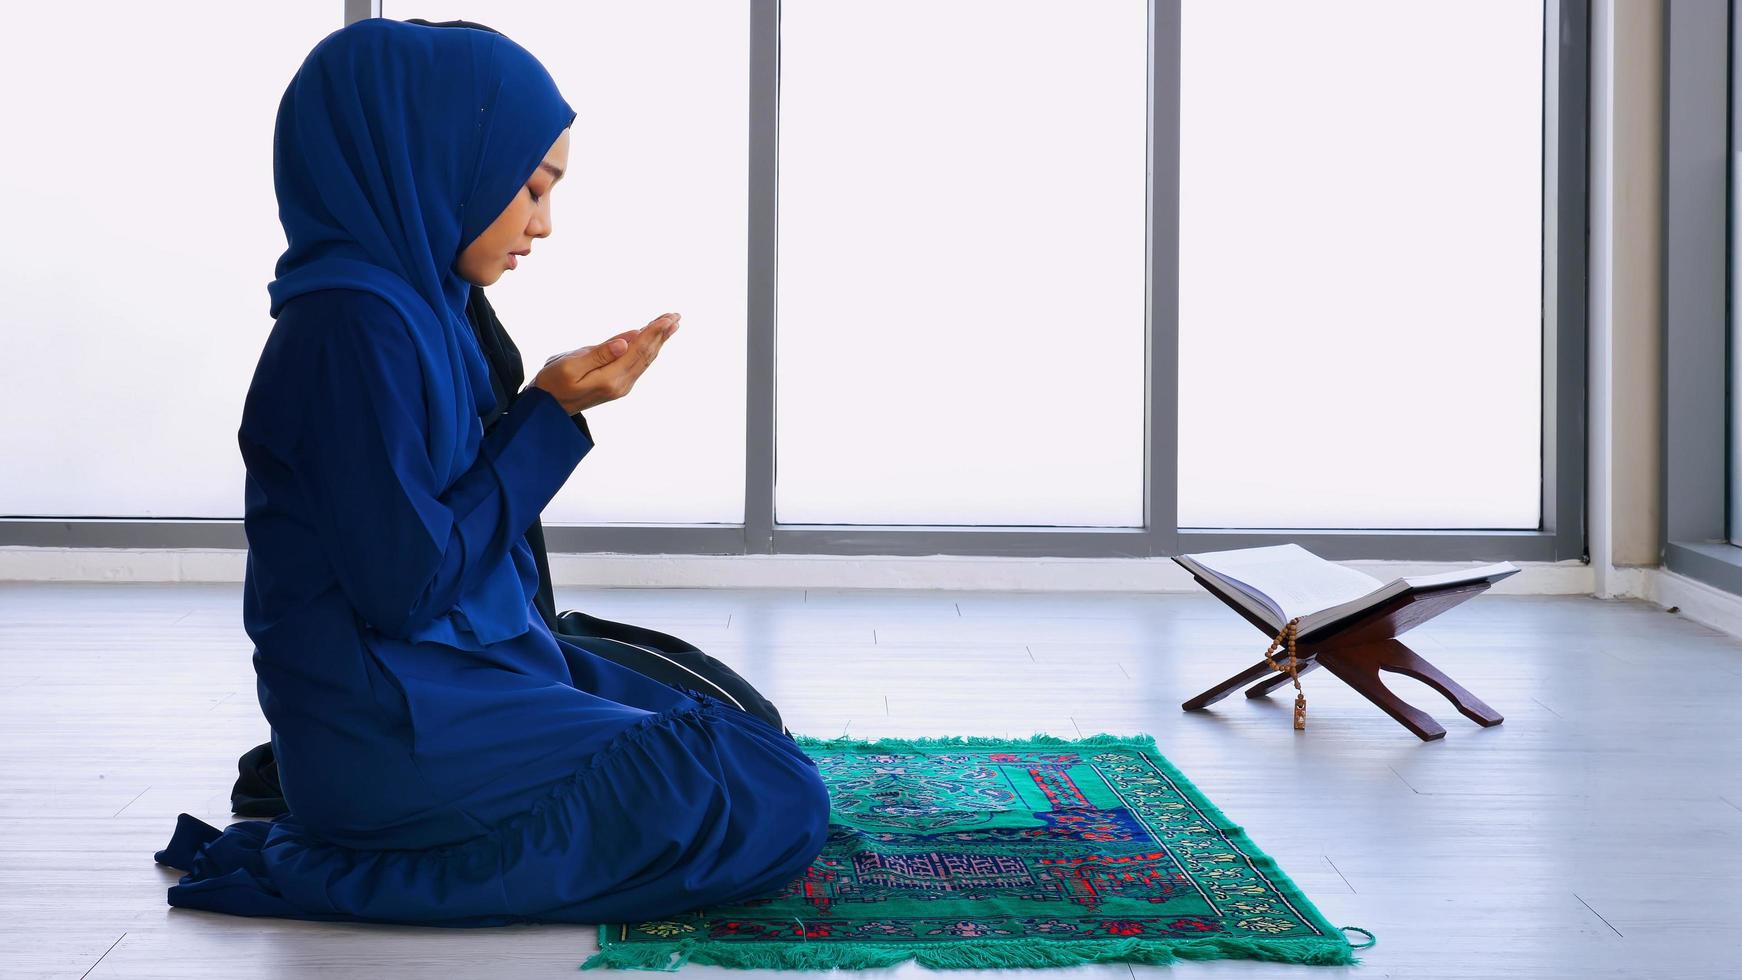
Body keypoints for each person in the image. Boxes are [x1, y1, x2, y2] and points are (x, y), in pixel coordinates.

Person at [153, 17, 831, 925]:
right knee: (766, 793)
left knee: (746, 730)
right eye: (532, 187)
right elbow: (409, 585)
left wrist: (549, 403)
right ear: (436, 156)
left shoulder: (422, 308)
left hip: (452, 673)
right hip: (396, 721)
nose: (543, 225)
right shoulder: (351, 331)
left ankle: (389, 824)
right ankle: (352, 867)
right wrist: (548, 416)